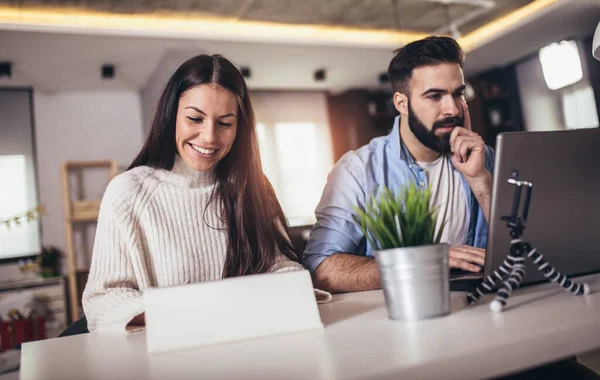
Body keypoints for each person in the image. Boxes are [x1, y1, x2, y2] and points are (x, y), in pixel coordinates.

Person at [83, 54, 329, 333]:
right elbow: (103, 300)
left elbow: (283, 269)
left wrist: (288, 290)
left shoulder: (253, 186)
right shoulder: (129, 192)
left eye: (225, 123)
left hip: (252, 345)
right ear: (170, 115)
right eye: (194, 118)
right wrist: (187, 313)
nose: (210, 137)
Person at [303, 36, 494, 293]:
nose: (452, 109)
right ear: (401, 103)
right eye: (435, 96)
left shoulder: (484, 159)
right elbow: (320, 269)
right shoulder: (358, 170)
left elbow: (529, 250)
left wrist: (480, 182)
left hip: (482, 310)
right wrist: (422, 264)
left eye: (457, 94)